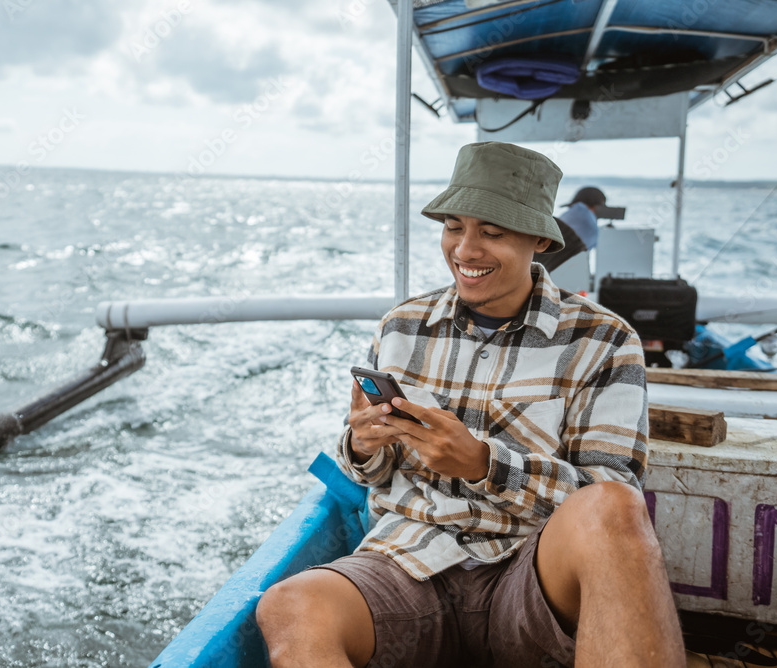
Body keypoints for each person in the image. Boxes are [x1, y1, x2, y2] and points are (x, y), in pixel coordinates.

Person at [256, 142, 684, 667]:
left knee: (616, 506)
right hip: (406, 562)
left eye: (492, 232)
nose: (465, 249)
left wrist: (485, 465)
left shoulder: (604, 340)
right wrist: (363, 443)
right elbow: (362, 470)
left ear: (539, 241)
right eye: (454, 226)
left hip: (526, 576)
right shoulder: (401, 326)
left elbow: (610, 500)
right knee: (289, 607)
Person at [536, 186, 608, 273]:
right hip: (559, 266)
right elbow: (583, 252)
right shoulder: (585, 216)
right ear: (597, 205)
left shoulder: (573, 212)